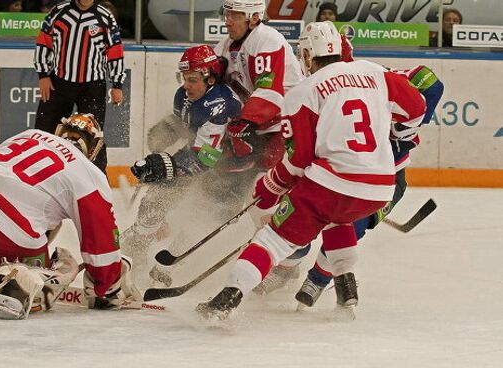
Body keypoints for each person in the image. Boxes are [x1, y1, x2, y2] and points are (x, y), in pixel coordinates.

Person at [196, 21, 426, 320]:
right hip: (380, 187)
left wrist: (270, 186)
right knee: (337, 219)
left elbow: (299, 161)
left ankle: (225, 302)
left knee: (272, 239)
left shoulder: (303, 91)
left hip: (332, 184)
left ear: (306, 55)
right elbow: (417, 106)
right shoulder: (374, 72)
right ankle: (347, 293)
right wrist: (397, 132)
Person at [0, 113, 139, 318]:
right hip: (9, 222)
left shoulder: (31, 134)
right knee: (63, 265)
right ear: (94, 148)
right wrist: (107, 287)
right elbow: (100, 243)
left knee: (39, 224)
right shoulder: (89, 174)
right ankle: (10, 286)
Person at [293, 38, 445, 308]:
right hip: (336, 171)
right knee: (300, 217)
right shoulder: (314, 88)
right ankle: (284, 270)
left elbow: (429, 79)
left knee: (354, 225)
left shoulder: (376, 77)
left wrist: (405, 130)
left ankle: (318, 278)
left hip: (383, 176)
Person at [120, 45, 245, 284]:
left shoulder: (220, 105)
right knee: (156, 198)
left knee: (204, 217)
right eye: (184, 78)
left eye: (193, 80)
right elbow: (188, 127)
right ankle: (138, 245)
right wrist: (166, 132)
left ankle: (171, 268)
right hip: (203, 157)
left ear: (209, 78)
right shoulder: (185, 95)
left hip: (232, 170)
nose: (186, 85)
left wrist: (167, 165)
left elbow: (206, 158)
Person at [34, 0, 125, 173]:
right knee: (44, 132)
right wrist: (43, 75)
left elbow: (115, 51)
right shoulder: (58, 12)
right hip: (59, 84)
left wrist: (117, 84)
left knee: (93, 138)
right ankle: (38, 175)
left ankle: (97, 181)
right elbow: (44, 42)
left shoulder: (105, 17)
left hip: (92, 87)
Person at [215, 0, 302, 171]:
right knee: (221, 175)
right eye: (227, 14)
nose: (227, 21)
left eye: (234, 15)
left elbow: (270, 91)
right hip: (255, 124)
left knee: (270, 174)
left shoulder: (268, 39)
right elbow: (206, 81)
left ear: (254, 18)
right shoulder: (226, 45)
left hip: (286, 124)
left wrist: (245, 122)